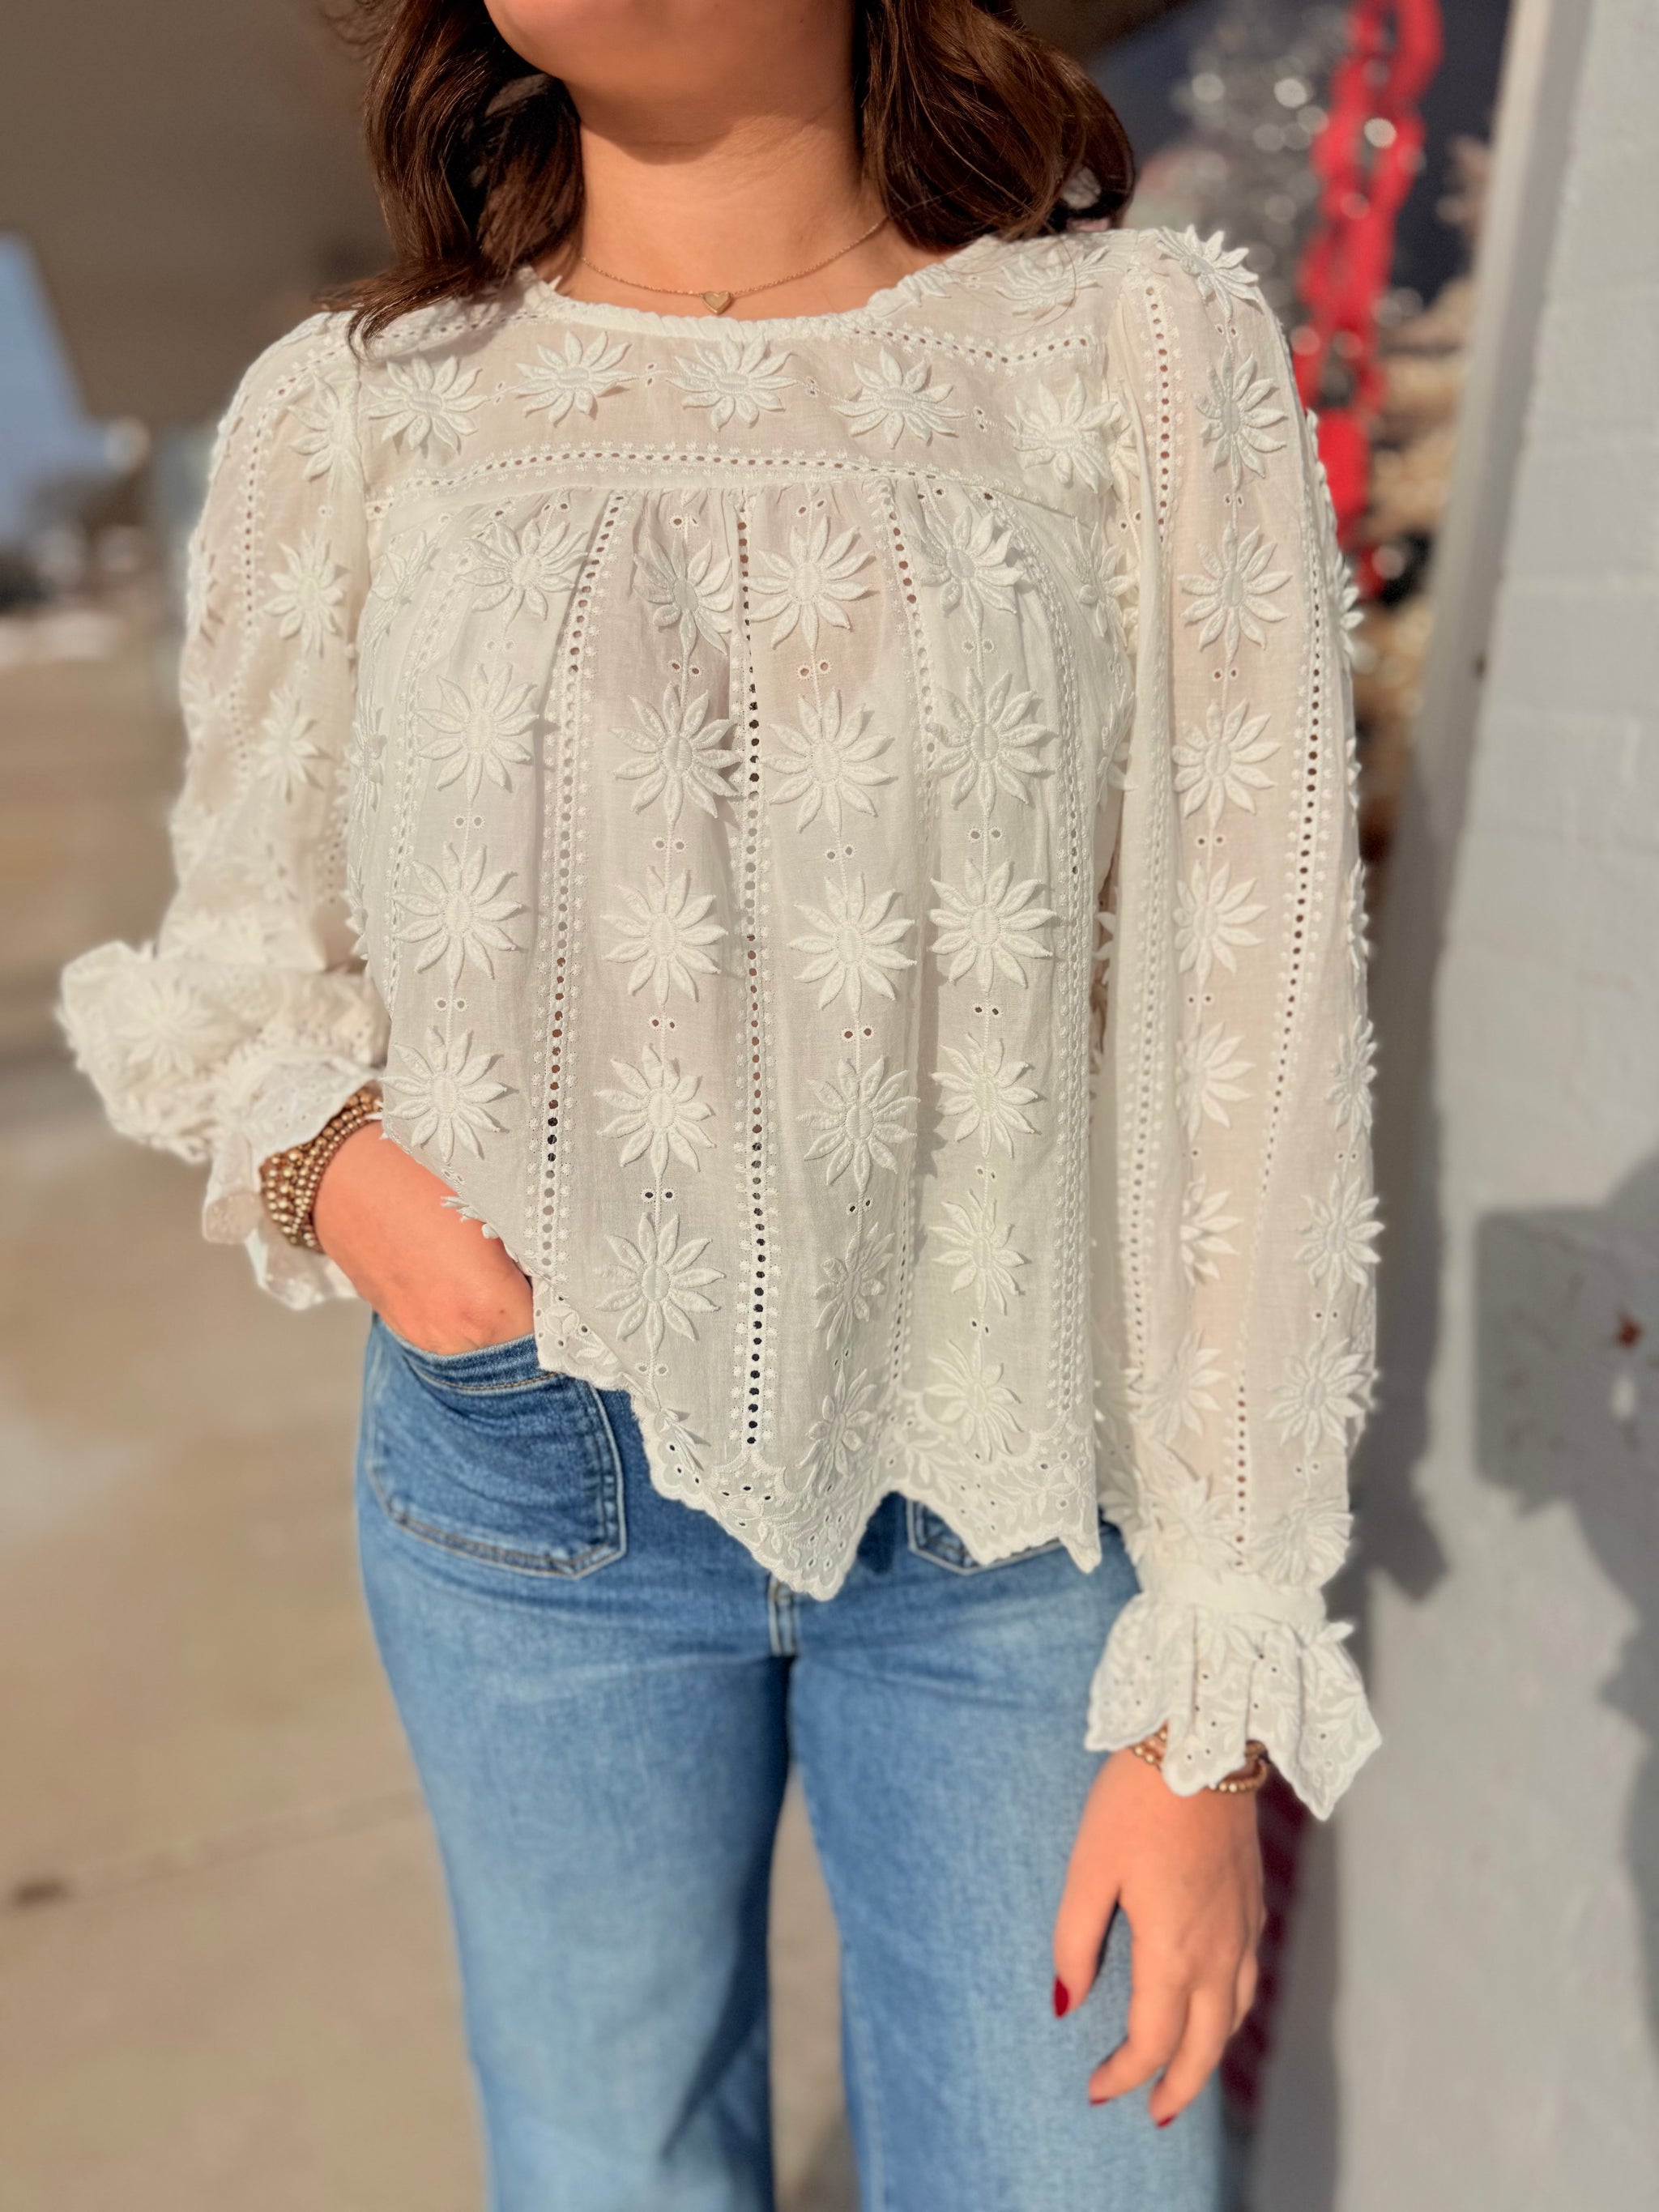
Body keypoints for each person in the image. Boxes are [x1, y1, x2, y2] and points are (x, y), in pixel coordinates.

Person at [60, 2, 1382, 2205]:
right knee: (606, 2164)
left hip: (1016, 1502)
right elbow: (239, 952)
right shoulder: (360, 412)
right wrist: (348, 1178)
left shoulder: (1133, 354)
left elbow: (1250, 1009)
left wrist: (1213, 1680)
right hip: (529, 1478)